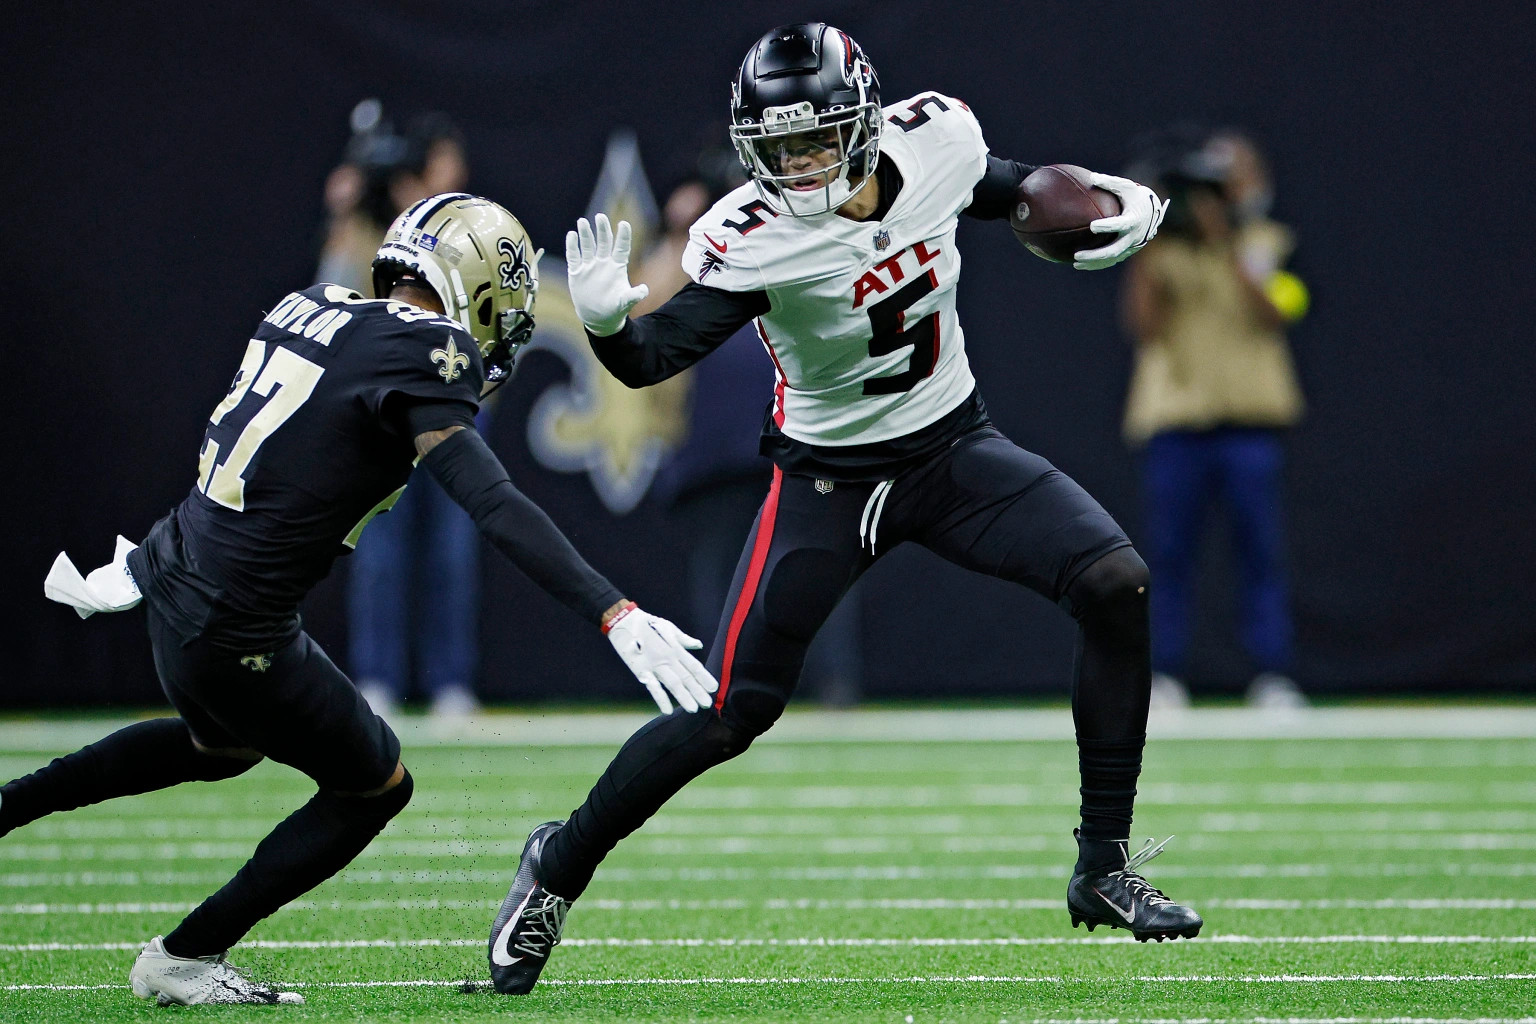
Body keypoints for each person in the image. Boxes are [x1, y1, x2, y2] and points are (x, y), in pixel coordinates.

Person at [486, 23, 1200, 996]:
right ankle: (556, 864)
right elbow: (654, 358)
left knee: (1116, 581)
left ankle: (1103, 866)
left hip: (953, 447)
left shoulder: (935, 140)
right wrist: (612, 325)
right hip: (825, 481)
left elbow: (1014, 190)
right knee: (728, 712)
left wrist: (1105, 202)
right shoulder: (755, 236)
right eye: (780, 149)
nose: (803, 163)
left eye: (818, 139)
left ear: (863, 122)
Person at [10, 194, 715, 1006]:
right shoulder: (431, 349)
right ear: (478, 289)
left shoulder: (309, 304)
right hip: (235, 616)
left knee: (222, 745)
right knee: (373, 783)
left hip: (174, 568)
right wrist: (612, 609)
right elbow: (491, 501)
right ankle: (186, 955)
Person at [1119, 132, 1308, 709]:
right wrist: (1147, 234)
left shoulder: (1263, 242)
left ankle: (1273, 674)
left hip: (1248, 423)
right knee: (1167, 556)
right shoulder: (1167, 253)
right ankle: (1165, 675)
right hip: (1178, 423)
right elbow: (1143, 327)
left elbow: (1276, 311)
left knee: (1261, 553)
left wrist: (1224, 242)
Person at [318, 107, 491, 717]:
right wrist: (349, 209)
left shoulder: (467, 225)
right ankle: (379, 676)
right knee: (381, 546)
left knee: (453, 545)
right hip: (382, 405)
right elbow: (334, 292)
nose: (455, 172)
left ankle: (449, 680)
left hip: (449, 392)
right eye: (443, 160)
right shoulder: (369, 228)